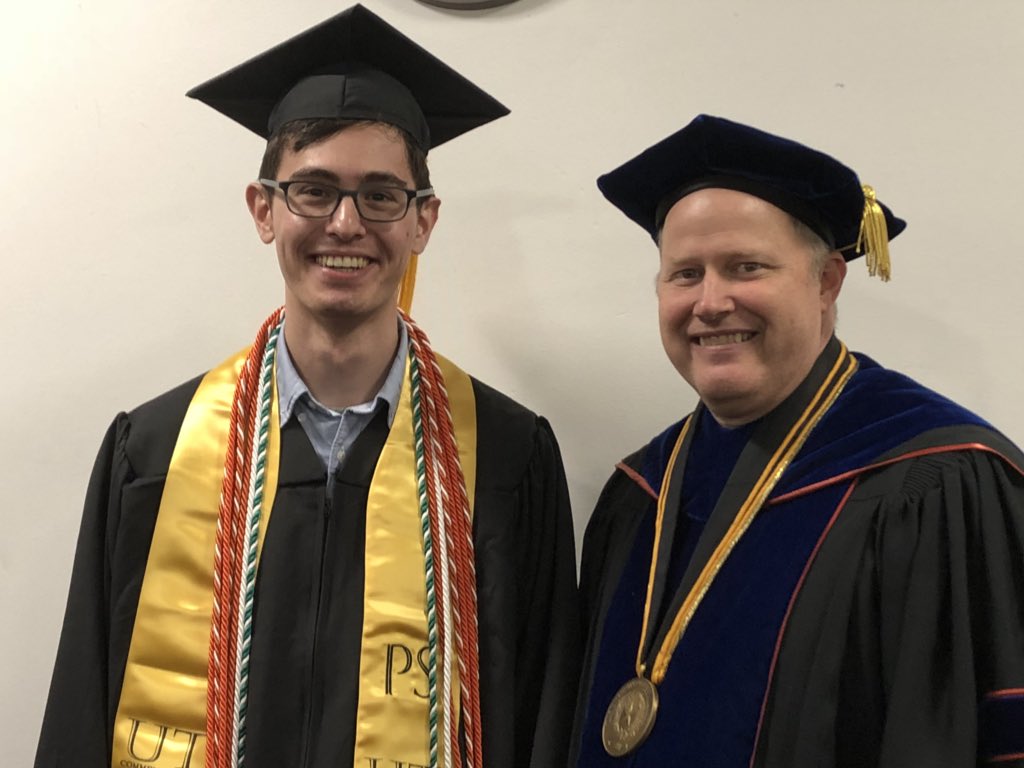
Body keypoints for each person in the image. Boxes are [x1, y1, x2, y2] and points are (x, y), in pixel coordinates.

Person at [35, 6, 580, 768]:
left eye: (381, 195)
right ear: (264, 210)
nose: (346, 223)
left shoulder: (506, 460)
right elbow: (80, 719)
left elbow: (541, 724)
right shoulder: (155, 455)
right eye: (313, 190)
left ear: (423, 221)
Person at [570, 114, 1024, 767]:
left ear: (827, 282)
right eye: (685, 273)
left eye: (746, 267)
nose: (711, 302)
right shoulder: (641, 492)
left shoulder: (934, 481)